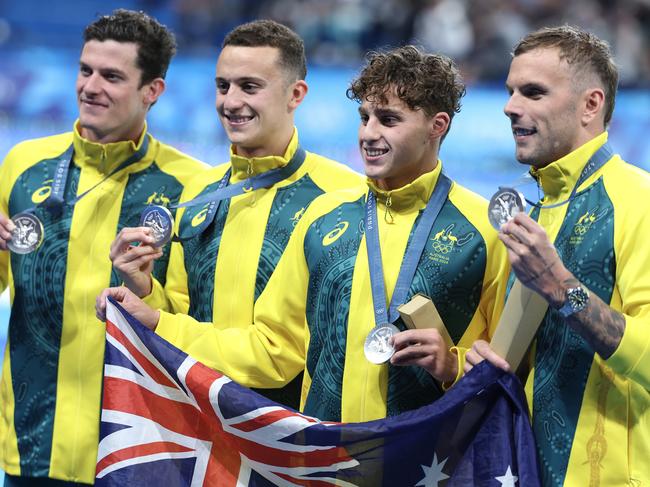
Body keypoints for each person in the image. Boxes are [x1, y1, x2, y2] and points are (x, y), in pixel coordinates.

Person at [99, 45, 508, 422]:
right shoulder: (325, 216)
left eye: (389, 120)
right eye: (364, 118)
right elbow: (274, 349)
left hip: (430, 461)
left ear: (437, 125)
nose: (368, 133)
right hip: (322, 461)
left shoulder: (482, 230)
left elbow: (513, 367)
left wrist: (453, 366)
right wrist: (155, 319)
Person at [107, 20, 362, 409]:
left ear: (295, 94)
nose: (230, 101)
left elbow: (287, 354)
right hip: (201, 426)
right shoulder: (199, 192)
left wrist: (160, 323)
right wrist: (142, 288)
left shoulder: (343, 195)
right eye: (223, 86)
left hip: (290, 434)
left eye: (249, 86)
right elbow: (177, 311)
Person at [0, 10, 207, 486]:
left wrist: (144, 289)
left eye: (112, 76)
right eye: (85, 70)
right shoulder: (23, 164)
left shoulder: (190, 186)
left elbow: (192, 317)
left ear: (152, 91)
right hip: (31, 443)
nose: (90, 87)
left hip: (134, 446)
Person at [465, 26, 650, 486]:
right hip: (526, 471)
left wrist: (560, 287)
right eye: (510, 91)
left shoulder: (639, 202)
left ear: (591, 104)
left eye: (533, 92)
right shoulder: (535, 210)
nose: (510, 106)